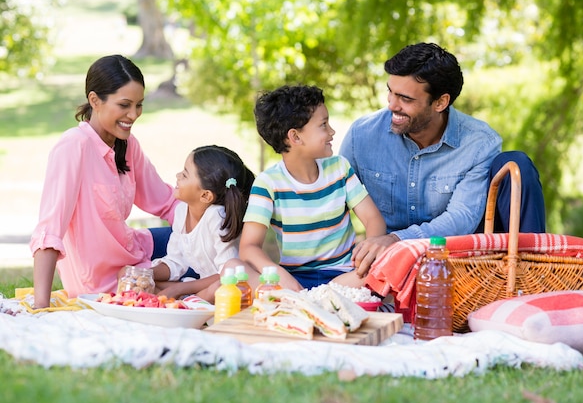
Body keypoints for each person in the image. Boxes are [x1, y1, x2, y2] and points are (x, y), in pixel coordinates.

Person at [339, 42, 546, 261]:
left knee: (517, 164)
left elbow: (462, 217)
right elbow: (329, 197)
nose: (392, 105)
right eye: (391, 92)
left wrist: (396, 240)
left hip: (454, 256)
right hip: (386, 260)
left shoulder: (479, 143)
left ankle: (530, 272)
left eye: (405, 99)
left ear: (440, 102)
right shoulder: (362, 135)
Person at [30, 54, 179, 308]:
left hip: (133, 254)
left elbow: (166, 202)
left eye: (139, 105)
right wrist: (40, 305)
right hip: (101, 284)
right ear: (94, 101)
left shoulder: (127, 145)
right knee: (204, 276)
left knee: (207, 247)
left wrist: (213, 225)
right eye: (124, 105)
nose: (133, 115)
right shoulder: (73, 147)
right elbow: (50, 231)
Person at [235, 85, 387, 291]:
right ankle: (310, 300)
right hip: (294, 281)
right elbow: (248, 248)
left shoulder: (339, 168)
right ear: (295, 137)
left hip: (345, 276)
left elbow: (372, 219)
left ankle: (316, 299)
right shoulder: (268, 183)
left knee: (390, 263)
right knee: (233, 266)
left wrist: (368, 257)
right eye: (323, 125)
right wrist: (279, 275)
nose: (332, 131)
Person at [151, 145, 255, 303]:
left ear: (206, 195)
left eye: (185, 175)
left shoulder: (217, 217)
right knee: (143, 280)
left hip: (224, 286)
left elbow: (227, 274)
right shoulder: (181, 211)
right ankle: (189, 301)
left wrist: (179, 289)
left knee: (217, 288)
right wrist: (146, 273)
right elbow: (176, 261)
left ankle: (189, 302)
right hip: (198, 287)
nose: (177, 175)